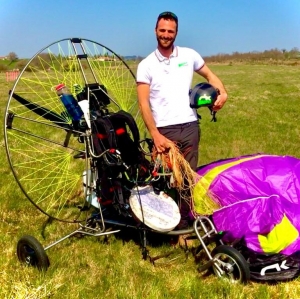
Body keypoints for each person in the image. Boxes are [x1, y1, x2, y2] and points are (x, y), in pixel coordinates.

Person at [136, 11, 227, 229]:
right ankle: (163, 222)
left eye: (170, 31)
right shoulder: (146, 65)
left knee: (187, 179)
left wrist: (222, 93)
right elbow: (143, 104)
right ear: (155, 31)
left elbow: (210, 76)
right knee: (165, 179)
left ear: (176, 32)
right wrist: (155, 135)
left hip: (189, 126)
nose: (166, 35)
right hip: (164, 131)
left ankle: (185, 225)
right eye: (162, 30)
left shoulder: (189, 55)